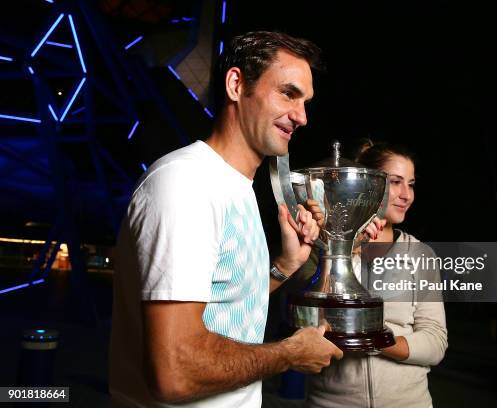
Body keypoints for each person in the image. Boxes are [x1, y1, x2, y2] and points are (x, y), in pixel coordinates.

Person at [109, 31, 343, 408]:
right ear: (236, 85)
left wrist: (286, 265)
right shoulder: (184, 184)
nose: (302, 117)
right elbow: (175, 371)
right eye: (288, 93)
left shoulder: (239, 189)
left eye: (306, 102)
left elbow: (223, 303)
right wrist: (288, 353)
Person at [306, 140, 448, 408]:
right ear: (366, 183)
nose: (406, 194)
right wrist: (349, 248)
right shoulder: (325, 244)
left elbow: (435, 342)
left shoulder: (421, 254)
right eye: (395, 182)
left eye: (411, 183)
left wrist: (373, 340)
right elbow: (313, 323)